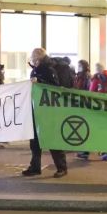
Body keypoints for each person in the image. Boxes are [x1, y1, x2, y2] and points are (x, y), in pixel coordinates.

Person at [23, 48, 67, 178]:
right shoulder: (36, 70)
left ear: (39, 58)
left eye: (33, 58)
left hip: (49, 111)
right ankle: (35, 167)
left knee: (52, 139)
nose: (32, 61)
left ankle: (62, 167)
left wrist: (40, 82)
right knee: (35, 141)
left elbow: (55, 87)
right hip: (37, 109)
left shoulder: (48, 69)